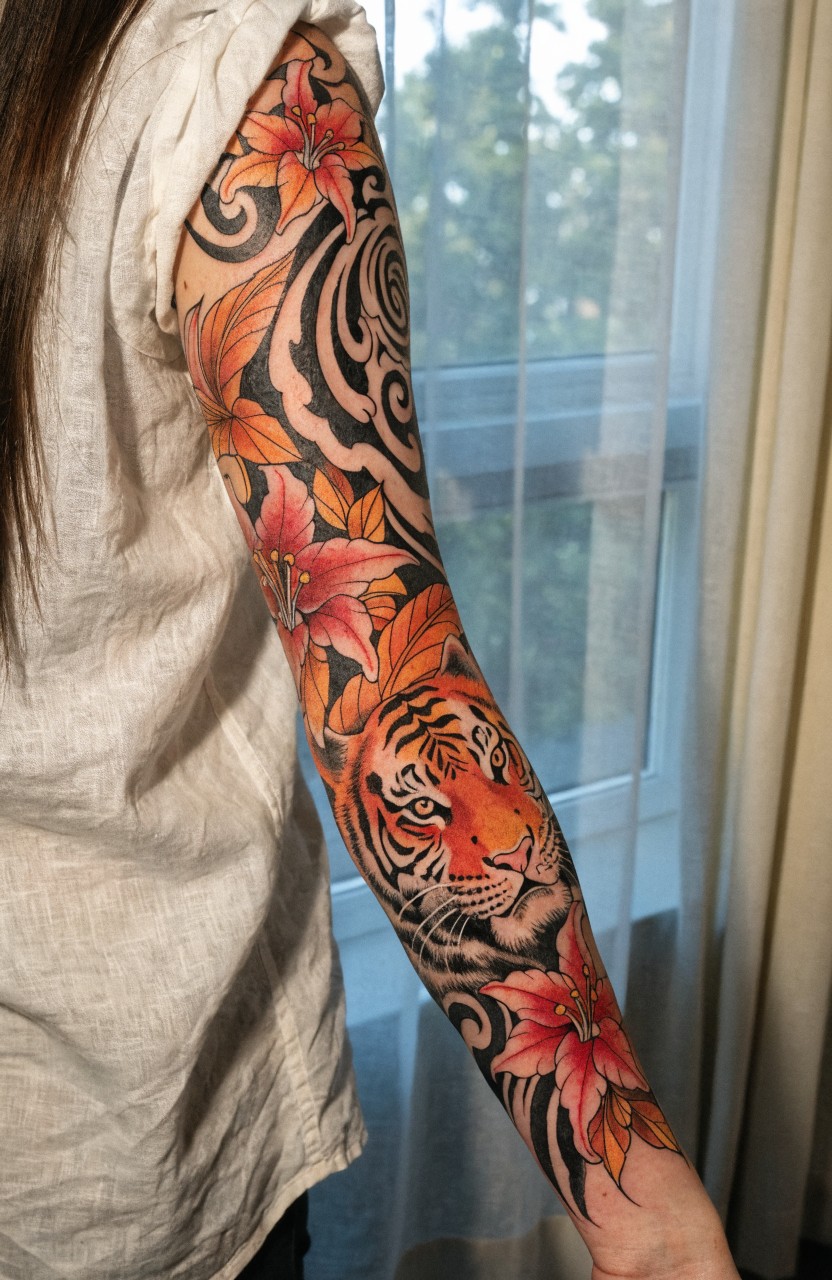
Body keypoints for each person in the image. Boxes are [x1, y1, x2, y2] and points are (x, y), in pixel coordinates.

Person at [0, 2, 741, 1277]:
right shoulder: (238, 94)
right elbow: (391, 692)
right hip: (115, 1133)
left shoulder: (196, 97)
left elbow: (384, 685)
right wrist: (655, 1227)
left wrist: (634, 1206)